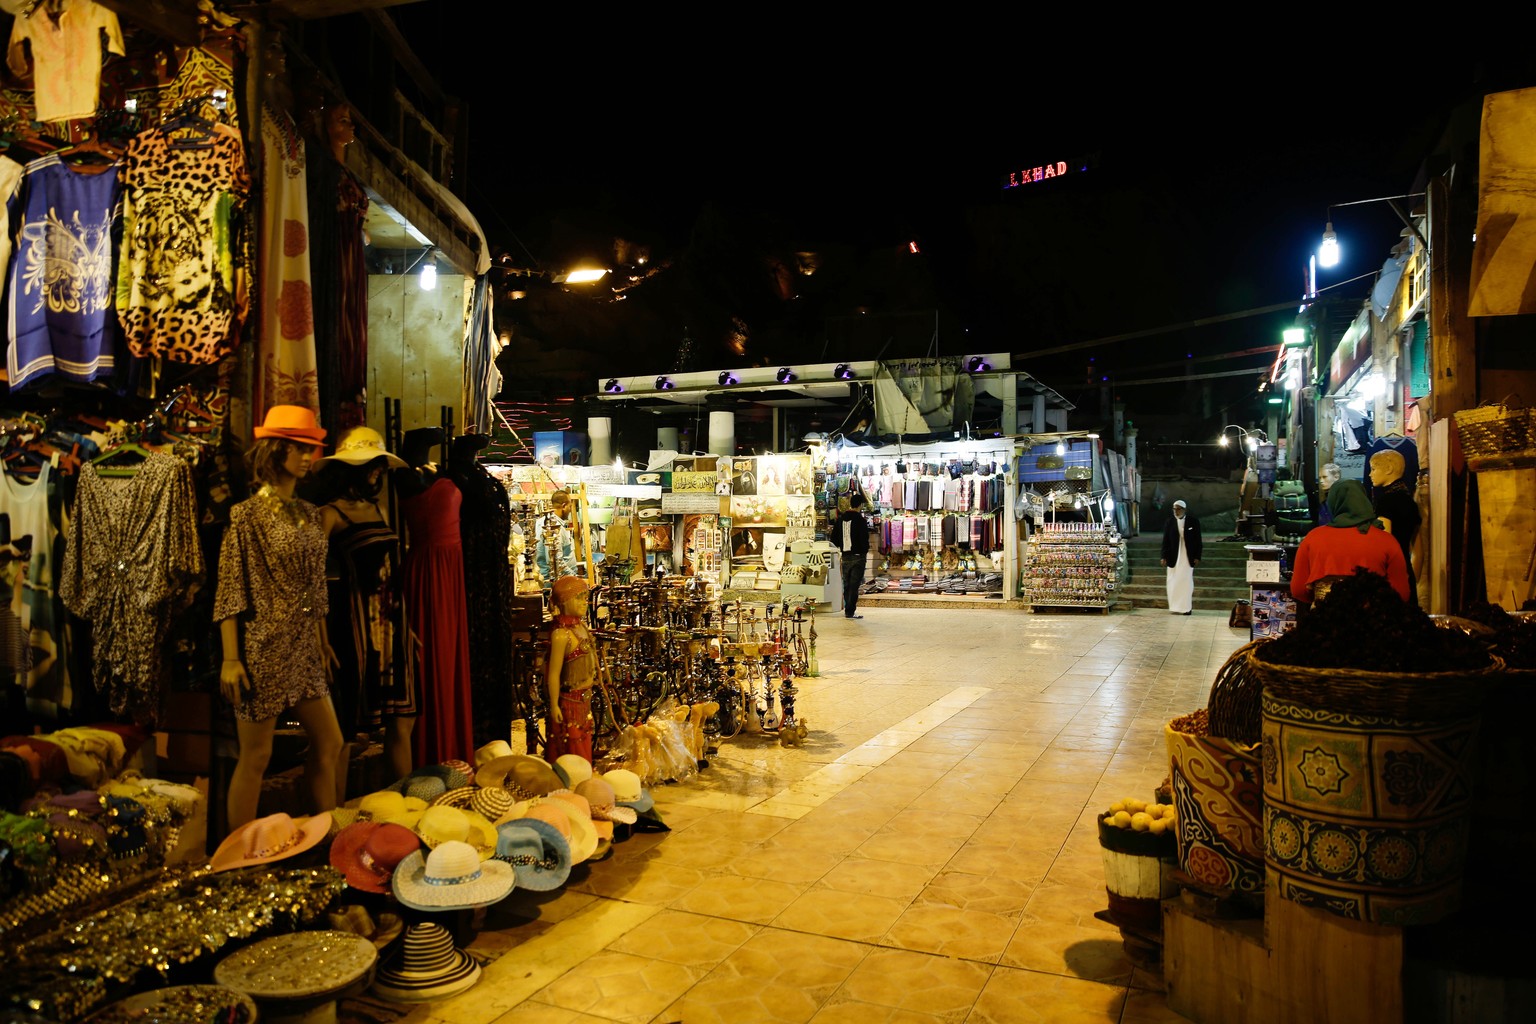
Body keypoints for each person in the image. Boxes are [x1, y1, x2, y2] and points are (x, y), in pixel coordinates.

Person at [215, 406, 346, 830]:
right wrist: (231, 658)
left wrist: (322, 638)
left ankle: (322, 832)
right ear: (276, 450)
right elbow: (231, 588)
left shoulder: (309, 513)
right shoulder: (246, 515)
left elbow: (316, 584)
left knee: (331, 741)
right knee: (256, 755)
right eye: (301, 448)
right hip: (264, 645)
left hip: (305, 645)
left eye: (312, 448)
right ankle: (238, 854)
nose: (309, 457)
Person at [316, 427, 416, 790]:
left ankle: (406, 798)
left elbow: (392, 568)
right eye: (371, 465)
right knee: (346, 726)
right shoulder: (329, 514)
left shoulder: (379, 507)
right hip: (354, 623)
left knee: (403, 718)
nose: (377, 472)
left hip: (392, 621)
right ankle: (336, 813)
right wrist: (321, 637)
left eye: (378, 466)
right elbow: (316, 581)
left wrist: (407, 627)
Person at [1290, 478, 1410, 605]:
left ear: (1333, 503)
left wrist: (1322, 599)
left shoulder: (1313, 538)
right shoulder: (1386, 540)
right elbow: (1401, 593)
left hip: (1325, 619)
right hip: (1372, 621)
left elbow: (1298, 589)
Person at [546, 575, 597, 761]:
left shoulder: (582, 628)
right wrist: (553, 705)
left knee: (584, 745)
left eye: (585, 596)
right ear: (565, 601)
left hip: (585, 701)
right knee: (573, 750)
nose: (585, 601)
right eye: (579, 597)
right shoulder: (561, 635)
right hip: (570, 703)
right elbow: (553, 674)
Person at [1369, 450, 1421, 605]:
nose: (1370, 474)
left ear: (1389, 469)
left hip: (1390, 572)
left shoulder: (1386, 502)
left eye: (1373, 469)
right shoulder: (1409, 500)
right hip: (1406, 568)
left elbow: (1384, 543)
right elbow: (1418, 548)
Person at [830, 493, 869, 619]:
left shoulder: (840, 520)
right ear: (860, 505)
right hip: (858, 556)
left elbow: (834, 539)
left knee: (847, 584)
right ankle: (850, 611)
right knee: (854, 585)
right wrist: (864, 550)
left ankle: (848, 610)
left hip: (845, 556)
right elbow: (864, 539)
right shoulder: (861, 520)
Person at [1160, 500, 1202, 615]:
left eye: (1178, 509)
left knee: (1186, 582)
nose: (1176, 511)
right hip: (1173, 556)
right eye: (1174, 509)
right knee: (1172, 581)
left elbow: (1198, 540)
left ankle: (1186, 608)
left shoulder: (1193, 522)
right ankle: (1174, 607)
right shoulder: (1169, 522)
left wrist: (1197, 556)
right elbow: (1165, 540)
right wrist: (1163, 556)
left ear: (1184, 510)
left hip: (1187, 556)